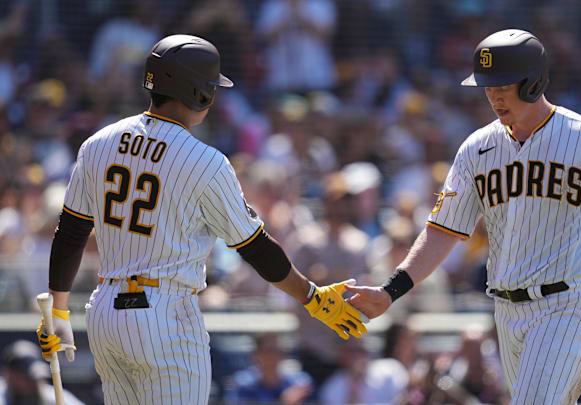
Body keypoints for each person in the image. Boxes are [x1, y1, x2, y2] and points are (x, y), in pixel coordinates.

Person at [346, 28, 581, 404]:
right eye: (487, 86)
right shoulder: (476, 148)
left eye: (502, 84)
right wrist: (390, 291)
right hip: (507, 310)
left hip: (570, 302)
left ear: (531, 82)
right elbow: (443, 230)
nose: (492, 95)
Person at [34, 34, 366, 405]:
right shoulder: (205, 162)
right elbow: (255, 248)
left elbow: (72, 231)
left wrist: (59, 307)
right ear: (199, 93)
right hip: (166, 313)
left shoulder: (97, 143)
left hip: (104, 313)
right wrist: (311, 296)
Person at [223, 333, 313, 405]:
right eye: (270, 350)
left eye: (279, 350)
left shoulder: (300, 382)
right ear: (256, 354)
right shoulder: (241, 384)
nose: (276, 355)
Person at [0, 340, 84, 405]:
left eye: (38, 377)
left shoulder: (55, 397)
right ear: (9, 375)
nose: (35, 383)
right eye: (28, 378)